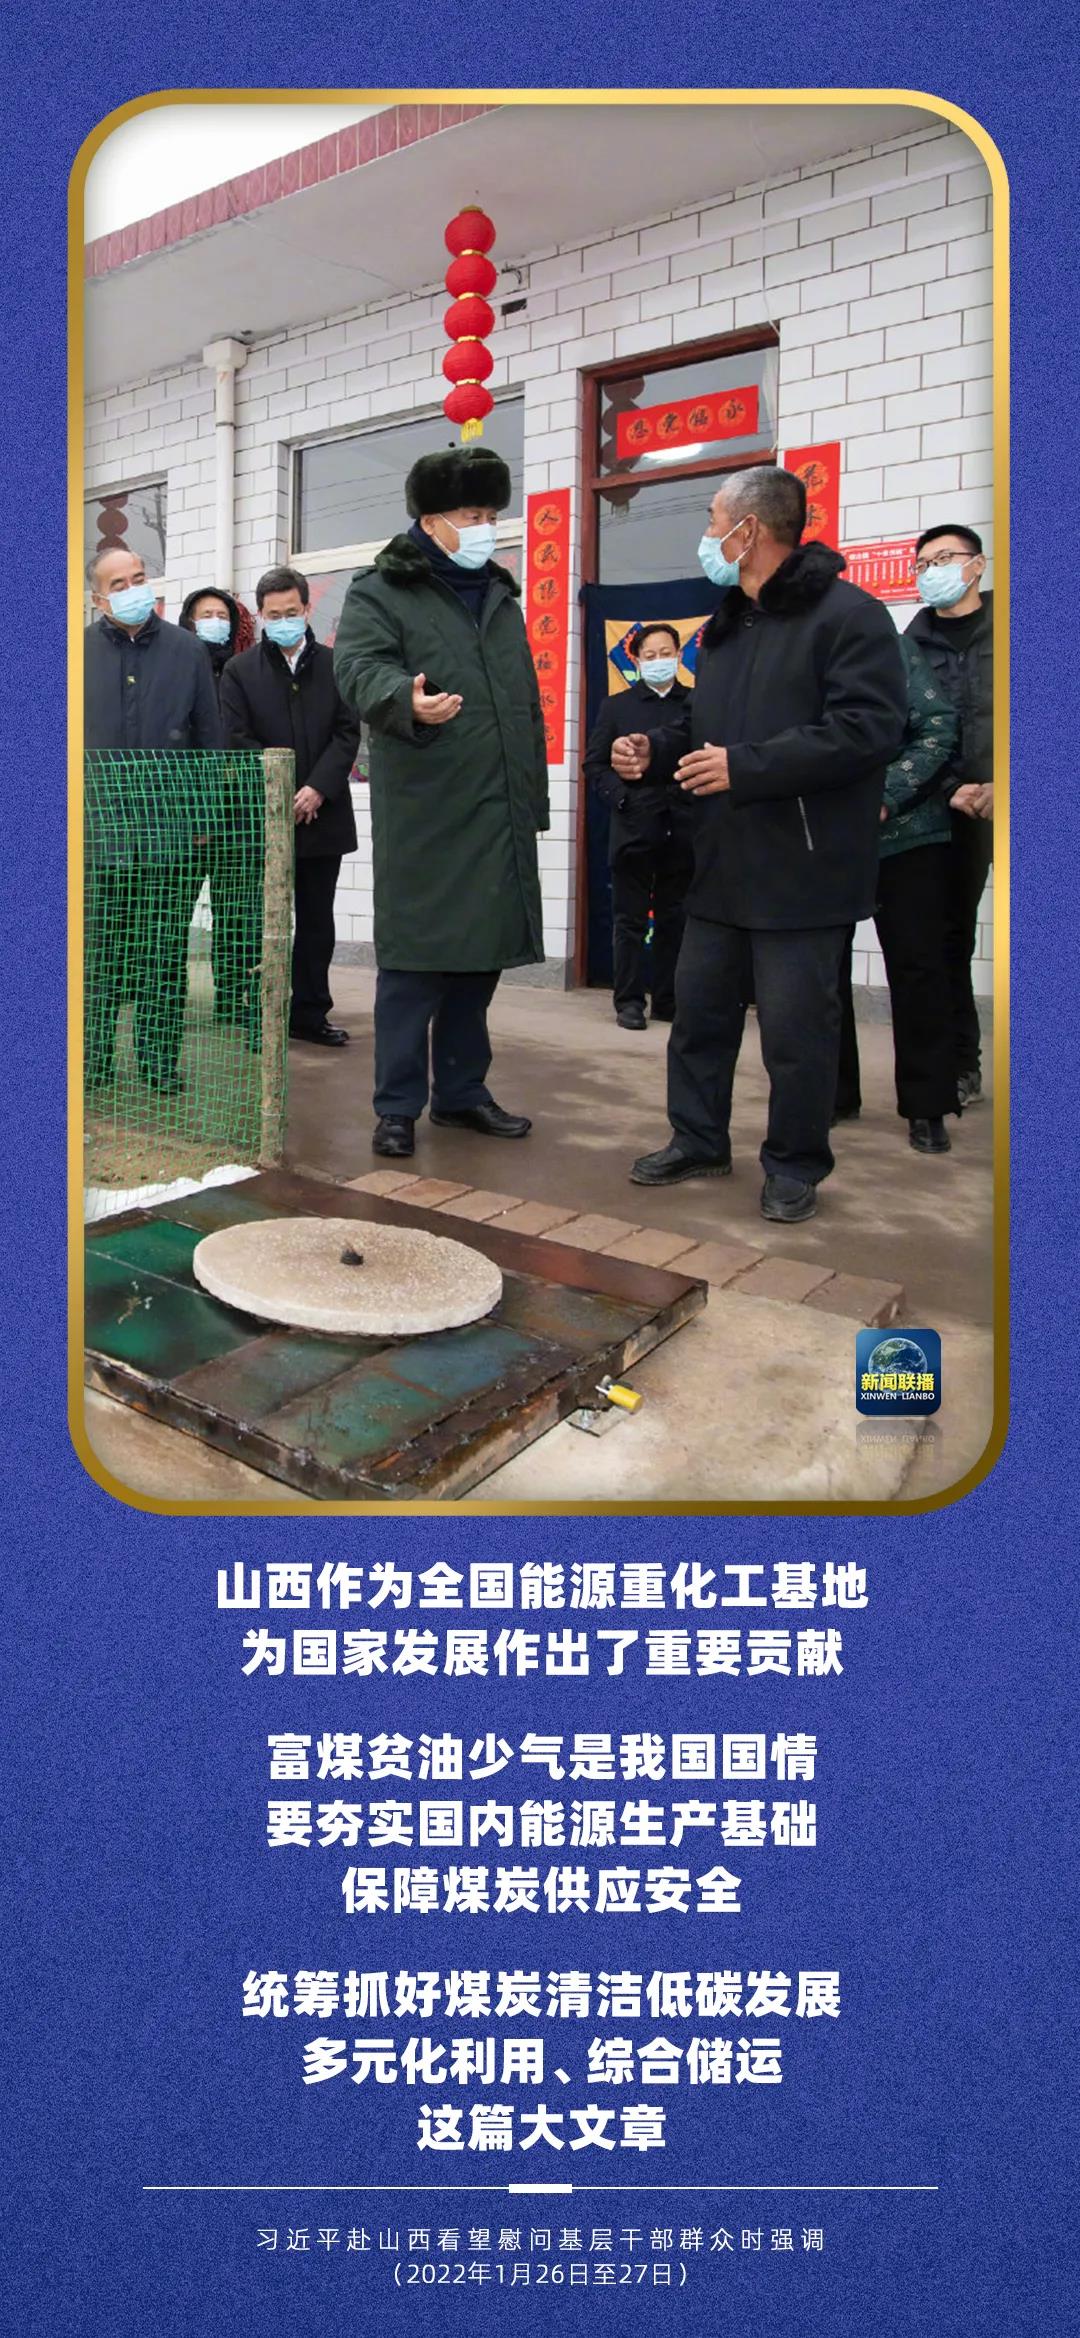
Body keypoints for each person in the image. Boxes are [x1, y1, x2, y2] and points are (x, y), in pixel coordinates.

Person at [621, 465, 908, 1224]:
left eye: (714, 519)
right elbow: (703, 728)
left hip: (804, 867)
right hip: (721, 860)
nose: (707, 534)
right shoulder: (726, 626)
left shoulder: (849, 616)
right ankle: (697, 1139)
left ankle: (794, 1164)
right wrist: (655, 749)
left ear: (749, 530)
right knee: (699, 1019)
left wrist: (744, 768)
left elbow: (867, 730)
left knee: (796, 1034)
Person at [332, 445, 548, 1161]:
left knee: (478, 964)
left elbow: (524, 704)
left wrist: (531, 800)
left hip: (494, 806)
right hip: (427, 810)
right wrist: (406, 700)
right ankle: (397, 1107)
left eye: (491, 513)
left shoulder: (499, 596)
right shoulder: (381, 590)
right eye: (471, 514)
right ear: (430, 520)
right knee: (415, 968)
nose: (486, 526)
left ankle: (462, 1093)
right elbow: (357, 667)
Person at [84, 543, 222, 1094]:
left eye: (138, 578)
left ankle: (159, 1063)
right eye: (118, 584)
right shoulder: (74, 652)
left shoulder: (187, 651)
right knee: (96, 953)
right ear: (99, 599)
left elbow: (209, 737)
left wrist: (205, 817)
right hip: (95, 834)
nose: (132, 589)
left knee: (162, 954)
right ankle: (91, 1059)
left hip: (169, 833)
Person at [220, 567, 360, 1049]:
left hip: (323, 815)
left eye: (292, 612)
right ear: (261, 615)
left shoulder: (336, 665)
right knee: (261, 923)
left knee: (317, 921)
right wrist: (283, 792)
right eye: (274, 614)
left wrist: (317, 788)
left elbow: (347, 732)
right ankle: (260, 1016)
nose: (283, 621)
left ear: (306, 608)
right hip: (264, 819)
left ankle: (309, 1014)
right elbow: (237, 739)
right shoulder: (240, 672)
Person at [834, 638, 962, 1153]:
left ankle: (928, 1104)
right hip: (825, 839)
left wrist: (884, 795)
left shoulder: (889, 648)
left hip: (908, 833)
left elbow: (938, 726)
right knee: (821, 969)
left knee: (918, 966)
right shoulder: (799, 655)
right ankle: (834, 1093)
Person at [905, 524, 994, 1106]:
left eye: (943, 559)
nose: (931, 571)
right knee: (946, 939)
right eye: (922, 564)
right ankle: (962, 1063)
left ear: (976, 565)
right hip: (948, 808)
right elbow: (907, 731)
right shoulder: (907, 646)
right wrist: (952, 788)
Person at [583, 623, 696, 1030]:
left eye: (666, 653)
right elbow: (594, 765)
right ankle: (629, 1001)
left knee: (675, 918)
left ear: (679, 655)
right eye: (650, 656)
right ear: (636, 660)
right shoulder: (617, 706)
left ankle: (668, 1000)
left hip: (683, 827)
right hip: (633, 827)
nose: (659, 661)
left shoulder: (696, 703)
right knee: (629, 920)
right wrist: (623, 799)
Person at [179, 588, 256, 1024]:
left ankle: (232, 996)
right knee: (175, 909)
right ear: (190, 621)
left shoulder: (244, 669)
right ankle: (166, 995)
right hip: (187, 812)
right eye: (205, 614)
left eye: (222, 614)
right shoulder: (176, 668)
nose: (215, 621)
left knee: (237, 910)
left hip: (237, 811)